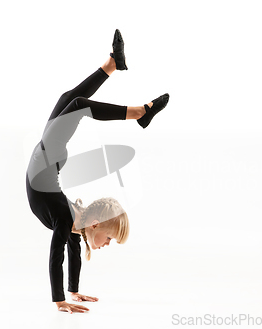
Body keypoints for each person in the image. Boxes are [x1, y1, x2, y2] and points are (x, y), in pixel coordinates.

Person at [25, 29, 170, 314]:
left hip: (48, 159)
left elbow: (67, 254)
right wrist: (60, 300)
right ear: (95, 226)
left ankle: (113, 65)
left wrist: (73, 292)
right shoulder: (70, 219)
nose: (106, 245)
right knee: (73, 102)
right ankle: (138, 110)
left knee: (72, 102)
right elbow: (59, 258)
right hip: (48, 158)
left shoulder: (71, 222)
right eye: (110, 239)